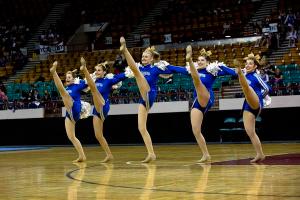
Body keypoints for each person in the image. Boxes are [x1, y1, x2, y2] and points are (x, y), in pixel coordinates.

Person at [167, 45, 237, 162]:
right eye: (198, 60)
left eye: (202, 60)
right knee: (196, 130)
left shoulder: (212, 71)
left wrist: (237, 71)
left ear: (207, 62)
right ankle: (206, 155)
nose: (199, 62)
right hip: (197, 101)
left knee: (197, 81)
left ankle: (188, 59)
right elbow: (176, 69)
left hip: (207, 97)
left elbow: (231, 73)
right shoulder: (192, 70)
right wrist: (165, 67)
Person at [120, 36, 174, 163]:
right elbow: (122, 75)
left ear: (151, 59)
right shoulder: (139, 68)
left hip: (150, 93)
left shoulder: (154, 69)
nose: (143, 58)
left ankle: (125, 50)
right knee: (141, 127)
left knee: (136, 71)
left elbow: (173, 70)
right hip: (143, 98)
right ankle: (151, 154)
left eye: (146, 56)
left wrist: (188, 70)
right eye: (142, 56)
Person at [80, 57, 132, 162]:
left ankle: (85, 68)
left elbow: (120, 77)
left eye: (99, 70)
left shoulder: (108, 80)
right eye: (96, 70)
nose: (97, 72)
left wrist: (130, 71)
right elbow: (82, 85)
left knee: (94, 89)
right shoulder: (93, 80)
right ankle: (109, 155)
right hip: (96, 107)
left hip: (103, 106)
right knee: (98, 135)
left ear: (104, 72)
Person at [50, 61, 91, 162]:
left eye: (69, 77)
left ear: (73, 79)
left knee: (62, 92)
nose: (67, 78)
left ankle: (54, 72)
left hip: (75, 108)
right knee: (71, 136)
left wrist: (84, 72)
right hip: (69, 112)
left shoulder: (77, 85)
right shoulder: (67, 88)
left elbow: (88, 82)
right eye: (66, 77)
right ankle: (82, 156)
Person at [233, 53, 270, 162]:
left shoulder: (255, 76)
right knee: (250, 132)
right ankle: (260, 154)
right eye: (246, 63)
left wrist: (261, 98)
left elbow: (267, 89)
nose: (248, 65)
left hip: (256, 102)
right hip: (247, 105)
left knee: (246, 87)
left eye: (250, 64)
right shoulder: (246, 75)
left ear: (255, 67)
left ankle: (238, 69)